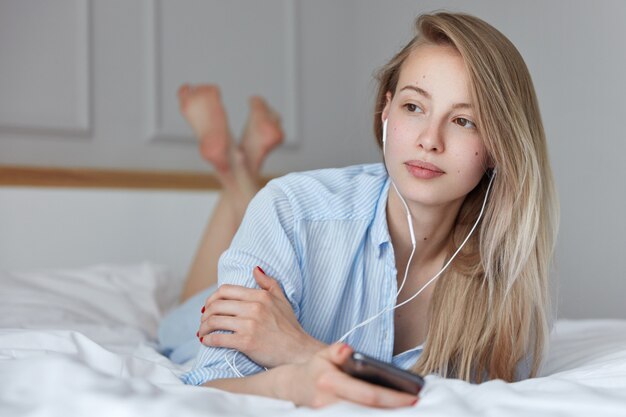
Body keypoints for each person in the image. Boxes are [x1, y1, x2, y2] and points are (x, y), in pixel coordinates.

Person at [166, 11, 560, 409]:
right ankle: (237, 171)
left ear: (498, 147)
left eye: (463, 120)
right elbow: (207, 384)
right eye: (413, 107)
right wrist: (294, 383)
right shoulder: (292, 209)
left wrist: (301, 352)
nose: (429, 140)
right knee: (174, 316)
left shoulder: (505, 279)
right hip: (194, 323)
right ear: (386, 111)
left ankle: (237, 168)